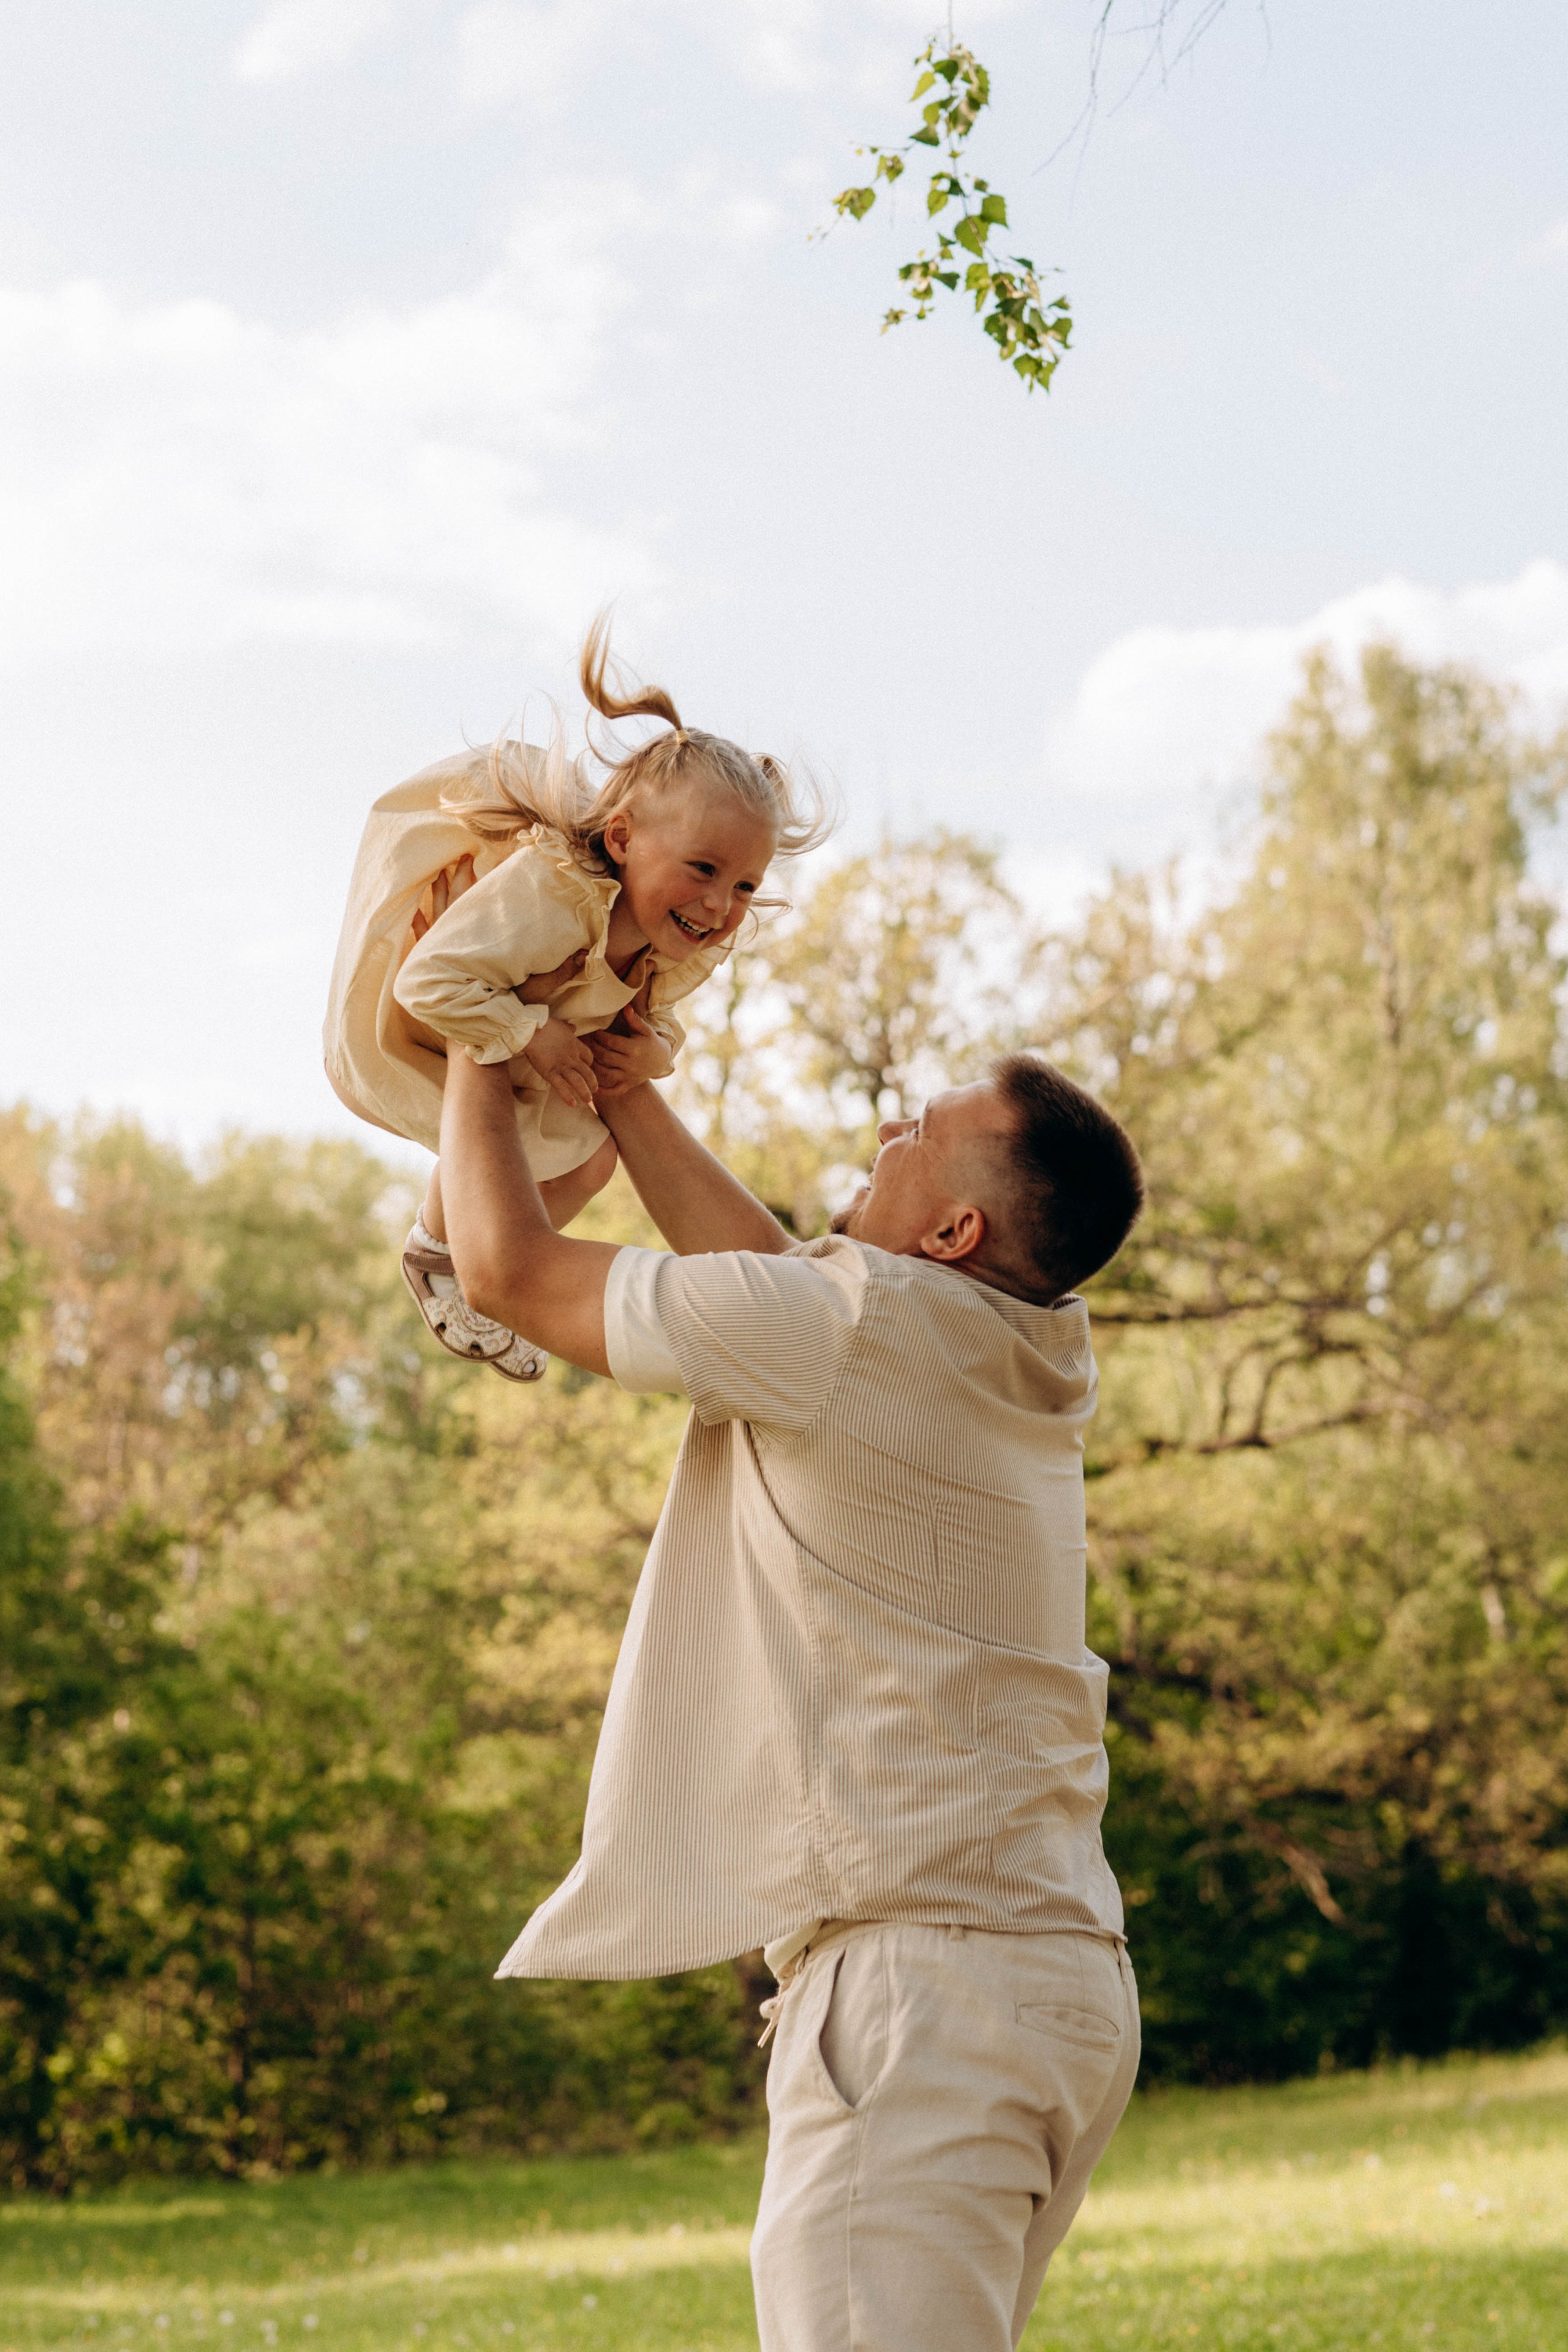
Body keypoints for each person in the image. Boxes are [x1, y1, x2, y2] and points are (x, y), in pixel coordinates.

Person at [437, 1024, 1147, 2352]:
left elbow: (508, 1271)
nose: (883, 1135)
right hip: (1060, 1988)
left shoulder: (849, 1326)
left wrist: (479, 1032)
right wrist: (629, 1094)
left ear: (947, 1229)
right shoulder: (1030, 1348)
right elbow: (784, 1291)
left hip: (921, 2004)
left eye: (914, 1134)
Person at [322, 617, 827, 1379]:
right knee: (549, 1148)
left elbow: (653, 1023)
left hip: (524, 1047)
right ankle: (437, 1249)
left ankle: (473, 1266)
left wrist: (654, 1051)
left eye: (745, 885)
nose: (721, 904)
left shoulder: (673, 940)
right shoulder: (556, 893)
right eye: (703, 869)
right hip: (452, 1023)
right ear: (622, 840)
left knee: (591, 1161)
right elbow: (427, 979)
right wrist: (531, 1032)